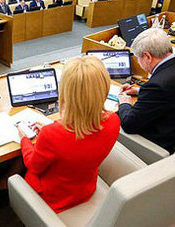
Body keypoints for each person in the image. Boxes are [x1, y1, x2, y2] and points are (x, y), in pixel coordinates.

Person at [17, 57, 119, 214]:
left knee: (17, 169)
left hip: (54, 199)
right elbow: (80, 139)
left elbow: (33, 166)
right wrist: (53, 129)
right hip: (85, 188)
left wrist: (24, 139)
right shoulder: (114, 121)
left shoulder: (51, 134)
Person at [117, 28, 175, 154]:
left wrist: (125, 103)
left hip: (163, 145)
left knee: (110, 121)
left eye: (138, 58)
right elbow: (173, 91)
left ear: (147, 56)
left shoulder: (157, 85)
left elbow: (129, 125)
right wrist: (140, 91)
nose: (138, 62)